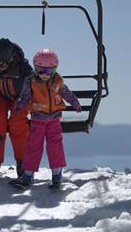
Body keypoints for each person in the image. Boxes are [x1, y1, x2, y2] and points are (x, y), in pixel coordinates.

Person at [12, 48, 82, 189]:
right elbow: (25, 96)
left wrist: (74, 102)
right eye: (40, 70)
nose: (44, 74)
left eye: (49, 71)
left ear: (55, 69)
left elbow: (66, 93)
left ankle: (57, 175)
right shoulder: (30, 81)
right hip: (38, 119)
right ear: (35, 68)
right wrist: (20, 105)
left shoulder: (57, 81)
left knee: (55, 146)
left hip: (54, 119)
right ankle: (28, 175)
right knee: (34, 146)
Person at [0, 38, 33, 179]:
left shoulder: (23, 69)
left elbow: (34, 87)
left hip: (20, 98)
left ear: (11, 59)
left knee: (17, 123)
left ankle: (23, 162)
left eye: (1, 64)